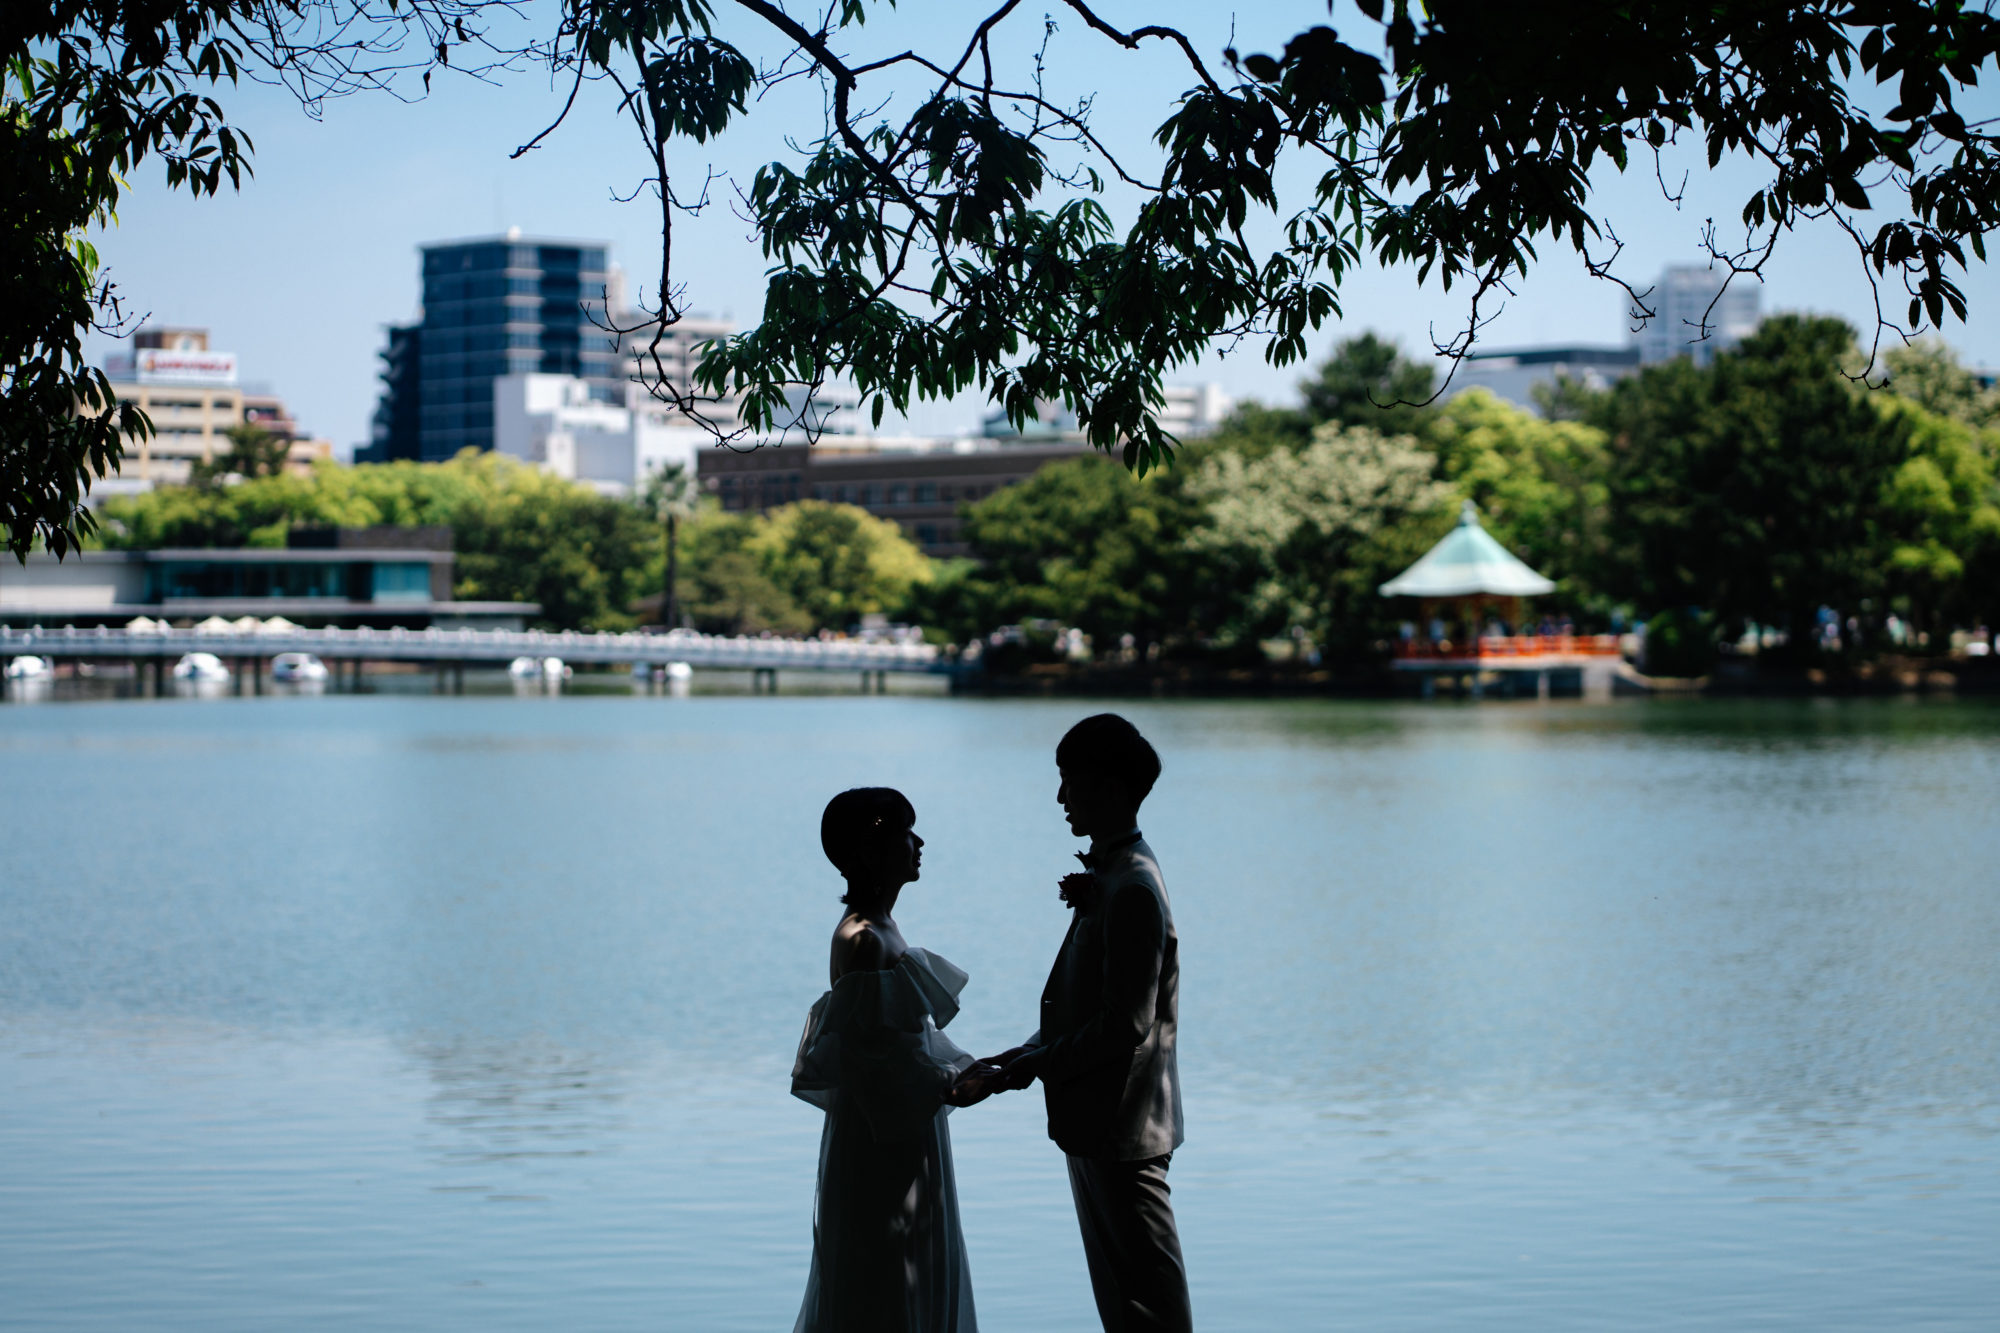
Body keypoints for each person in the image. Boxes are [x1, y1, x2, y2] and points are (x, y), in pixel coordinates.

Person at [950, 714, 1191, 1332]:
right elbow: (1089, 1008)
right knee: (1123, 1302)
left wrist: (1025, 1071)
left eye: (1069, 781)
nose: (1060, 798)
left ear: (1109, 787)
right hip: (1097, 1123)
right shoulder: (1114, 874)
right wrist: (1014, 1056)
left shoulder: (1132, 886)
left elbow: (1123, 1026)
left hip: (1125, 1129)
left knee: (1149, 1306)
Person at [791, 788, 996, 1333]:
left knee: (907, 1268)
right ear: (871, 850)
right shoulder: (863, 939)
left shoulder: (880, 930)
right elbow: (871, 1067)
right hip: (884, 1137)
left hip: (905, 1125)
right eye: (906, 833)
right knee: (885, 1274)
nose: (919, 842)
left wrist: (959, 1072)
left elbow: (899, 1050)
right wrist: (952, 1081)